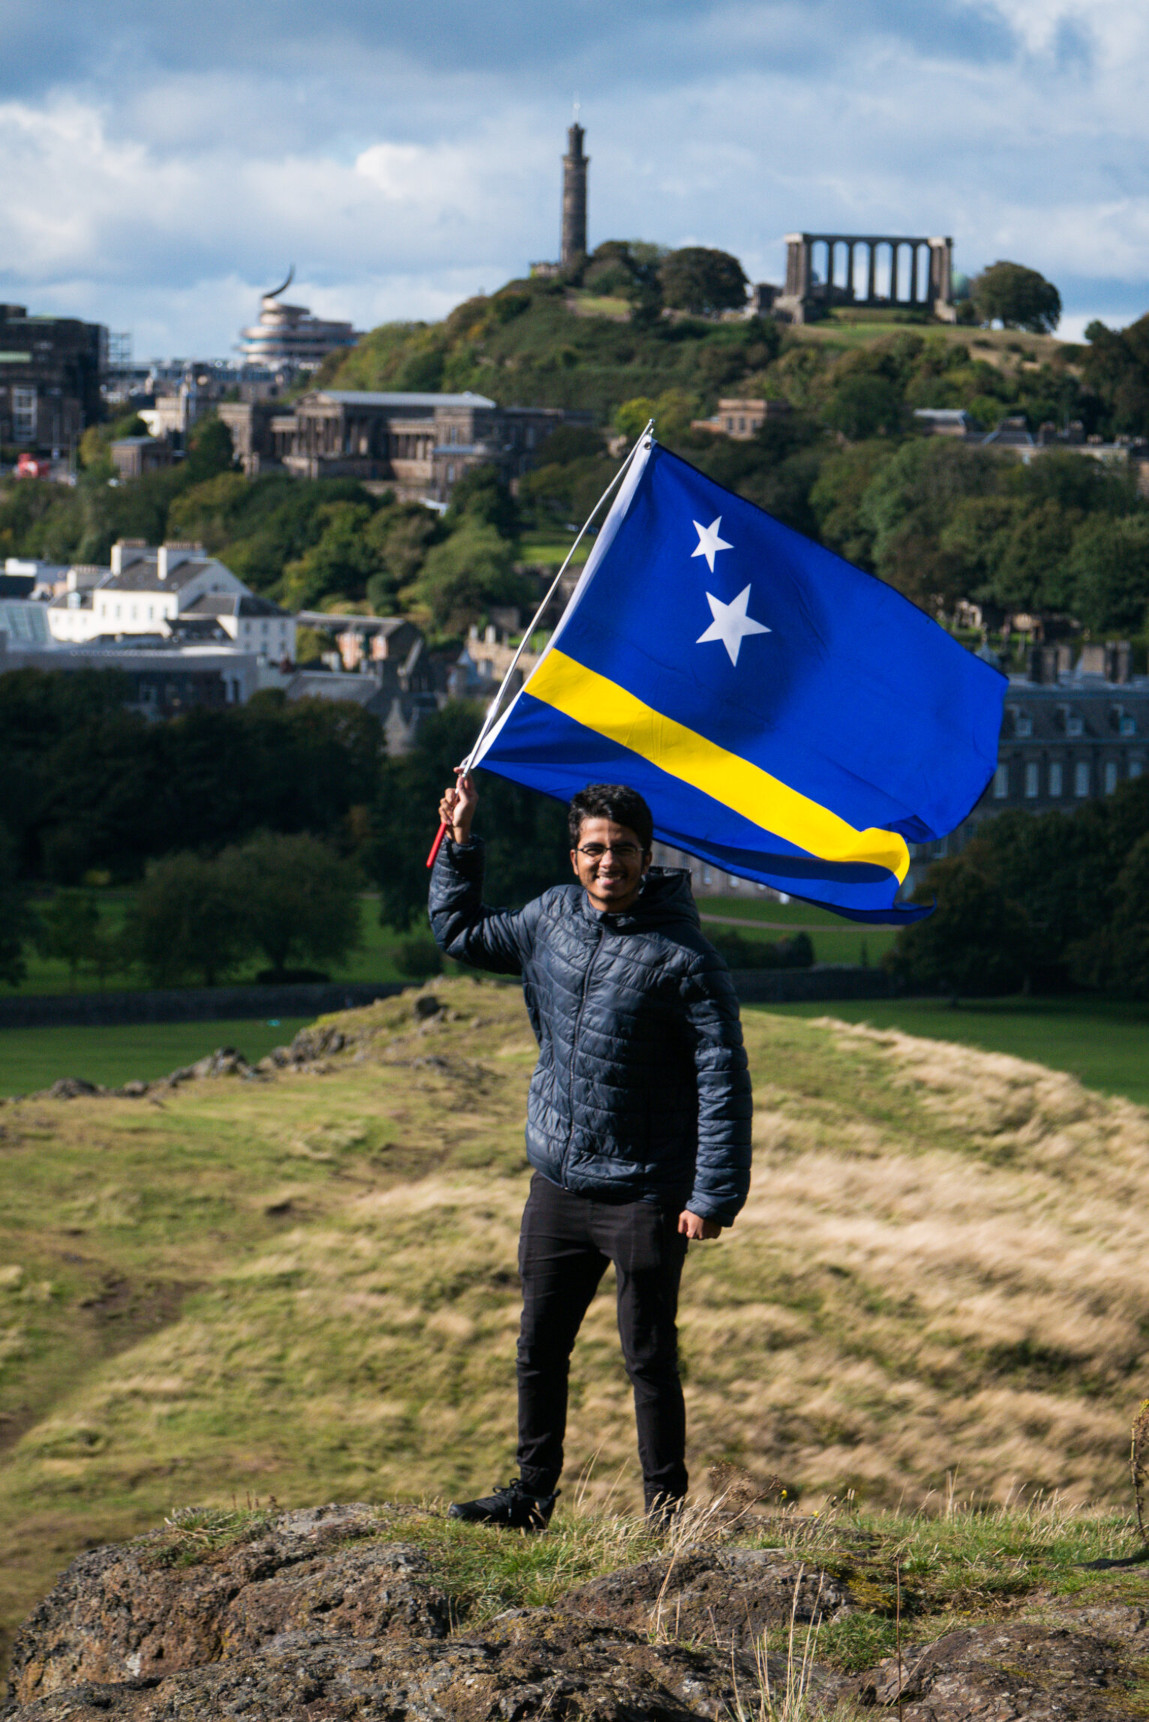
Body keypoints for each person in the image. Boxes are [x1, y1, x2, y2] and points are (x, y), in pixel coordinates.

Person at [429, 775, 752, 1530]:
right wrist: (461, 840)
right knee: (538, 1347)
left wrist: (711, 1197)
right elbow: (460, 932)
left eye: (624, 850)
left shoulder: (686, 960)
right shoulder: (548, 919)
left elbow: (722, 1083)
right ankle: (531, 1496)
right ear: (573, 856)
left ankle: (665, 1518)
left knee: (647, 1360)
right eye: (594, 849)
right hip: (559, 1185)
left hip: (645, 1192)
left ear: (647, 855)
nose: (609, 862)